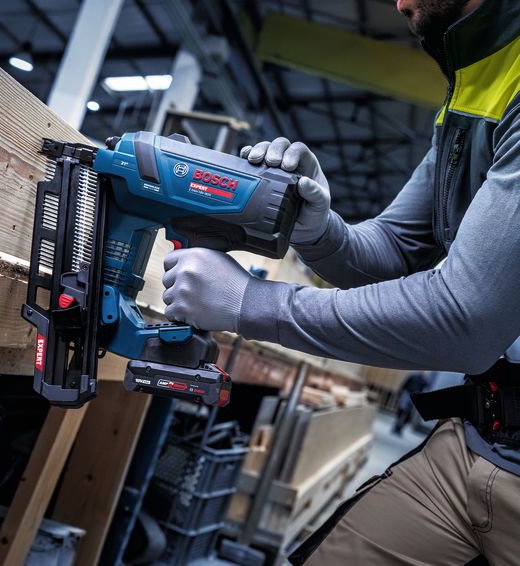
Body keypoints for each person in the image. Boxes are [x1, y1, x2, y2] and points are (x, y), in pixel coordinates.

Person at [161, 0, 520, 563]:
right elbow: (396, 248)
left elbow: (465, 319)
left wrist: (250, 301)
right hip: (483, 442)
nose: (398, 4)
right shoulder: (477, 82)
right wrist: (319, 230)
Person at [391, 371, 428, 435]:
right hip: (407, 394)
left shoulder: (423, 380)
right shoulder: (413, 376)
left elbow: (426, 385)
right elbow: (404, 384)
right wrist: (399, 393)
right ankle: (396, 427)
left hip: (414, 397)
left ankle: (400, 428)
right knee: (401, 410)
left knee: (408, 414)